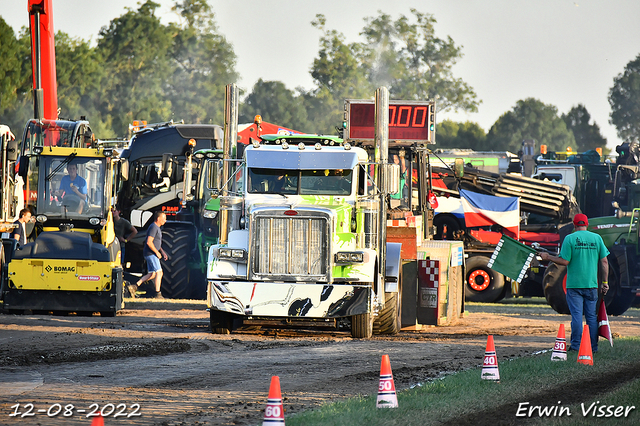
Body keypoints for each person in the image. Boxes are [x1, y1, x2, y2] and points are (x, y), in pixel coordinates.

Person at [538, 213, 609, 353]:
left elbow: (564, 261)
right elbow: (604, 262)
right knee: (591, 317)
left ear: (575, 225)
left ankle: (576, 346)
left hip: (574, 285)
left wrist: (548, 257)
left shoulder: (570, 239)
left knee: (577, 316)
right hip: (591, 285)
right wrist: (604, 282)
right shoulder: (597, 238)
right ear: (587, 224)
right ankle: (593, 348)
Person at [127, 211, 168, 299]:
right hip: (151, 254)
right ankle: (158, 294)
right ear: (158, 219)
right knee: (159, 272)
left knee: (152, 274)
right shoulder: (154, 227)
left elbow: (157, 243)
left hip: (151, 253)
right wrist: (156, 252)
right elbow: (149, 242)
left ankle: (134, 286)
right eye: (164, 218)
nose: (165, 220)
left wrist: (162, 252)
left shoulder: (157, 228)